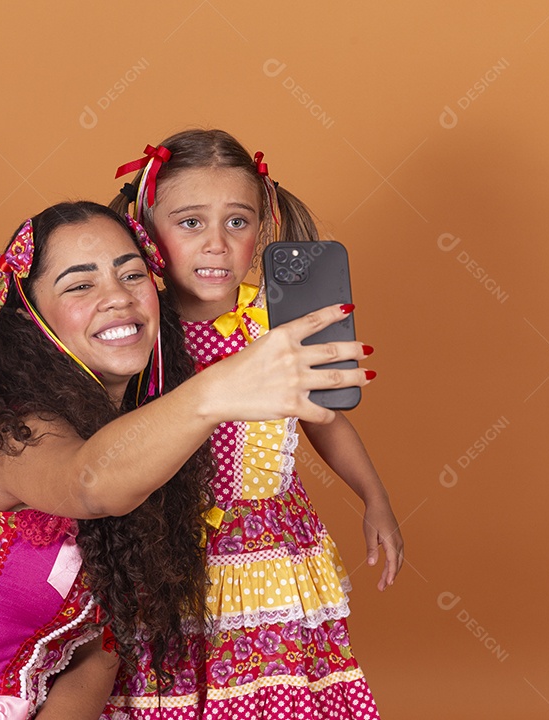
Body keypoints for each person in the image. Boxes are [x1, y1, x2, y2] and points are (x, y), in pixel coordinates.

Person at [0, 201, 371, 720]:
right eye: (78, 285)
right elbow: (90, 482)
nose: (117, 297)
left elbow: (97, 656)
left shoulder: (142, 442)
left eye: (132, 274)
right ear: (31, 317)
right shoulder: (8, 432)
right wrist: (221, 388)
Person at [107, 131, 404, 719]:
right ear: (146, 228)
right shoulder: (134, 331)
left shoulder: (278, 324)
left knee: (272, 691)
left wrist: (374, 497)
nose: (216, 244)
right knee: (170, 683)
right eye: (190, 223)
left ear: (262, 226)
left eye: (237, 223)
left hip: (267, 550)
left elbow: (323, 416)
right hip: (166, 546)